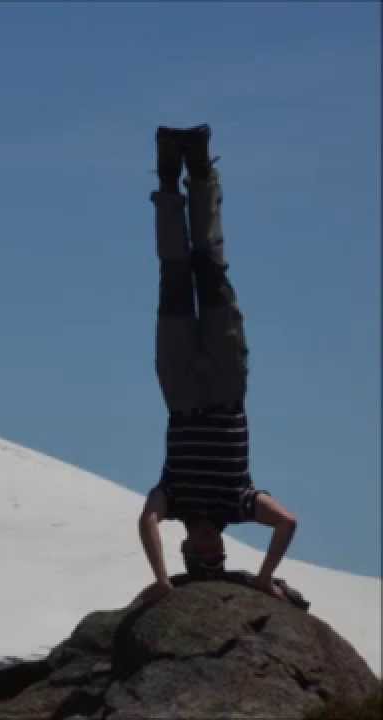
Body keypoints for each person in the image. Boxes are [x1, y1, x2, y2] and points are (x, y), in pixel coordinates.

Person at [136, 124, 299, 606]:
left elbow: (147, 518)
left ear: (185, 546)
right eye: (217, 555)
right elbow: (288, 523)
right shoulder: (240, 504)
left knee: (174, 272)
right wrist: (265, 576)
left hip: (182, 391)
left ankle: (169, 177)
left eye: (200, 555)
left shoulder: (173, 500)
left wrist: (164, 581)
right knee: (210, 267)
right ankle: (201, 171)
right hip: (227, 389)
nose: (211, 549)